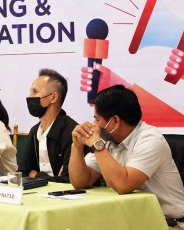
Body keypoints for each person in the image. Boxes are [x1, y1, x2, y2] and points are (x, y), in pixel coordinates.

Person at [69, 85, 184, 228]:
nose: (95, 125)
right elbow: (80, 182)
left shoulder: (150, 139)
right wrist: (77, 146)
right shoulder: (108, 141)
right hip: (130, 221)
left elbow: (123, 185)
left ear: (115, 121)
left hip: (168, 223)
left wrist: (97, 144)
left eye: (97, 120)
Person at [19, 69, 83, 183]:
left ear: (53, 97)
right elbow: (23, 172)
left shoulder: (72, 133)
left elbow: (68, 180)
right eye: (30, 92)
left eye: (35, 91)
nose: (30, 97)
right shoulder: (34, 131)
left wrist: (37, 175)